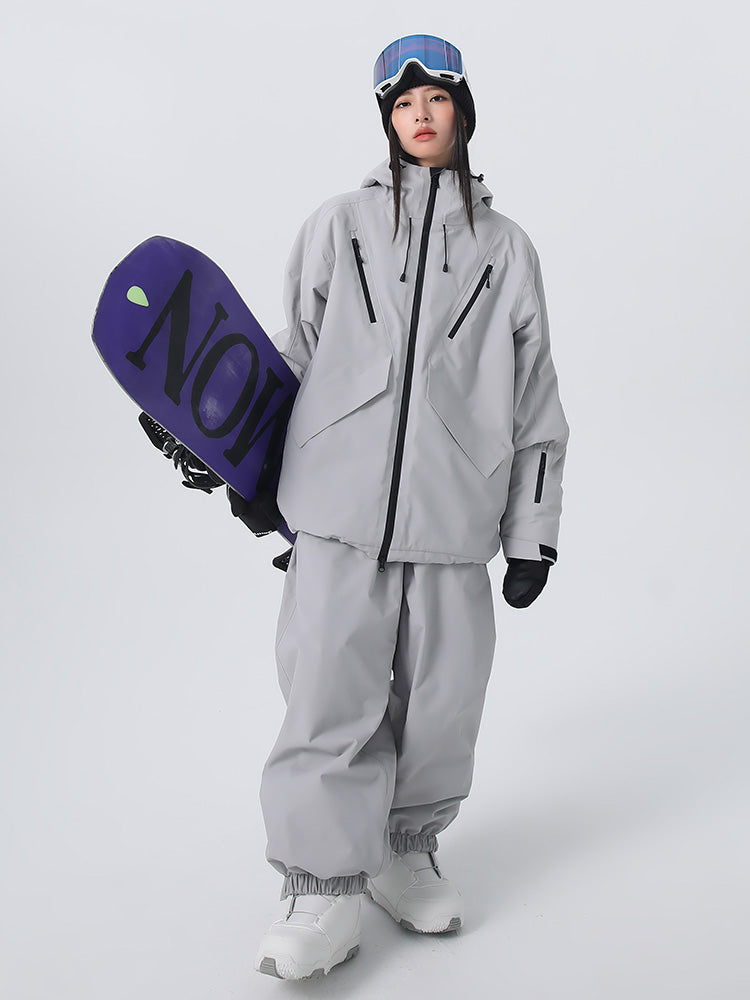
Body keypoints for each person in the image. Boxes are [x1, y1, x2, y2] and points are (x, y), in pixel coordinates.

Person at [252, 33, 569, 980]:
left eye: (435, 99)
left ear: (463, 111)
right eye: (402, 103)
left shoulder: (506, 249)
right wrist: (248, 465)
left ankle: (403, 850)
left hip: (453, 517)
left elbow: (534, 396)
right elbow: (293, 350)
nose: (420, 115)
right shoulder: (339, 225)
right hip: (336, 508)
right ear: (386, 119)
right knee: (329, 693)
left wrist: (532, 532)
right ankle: (321, 890)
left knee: (443, 702)